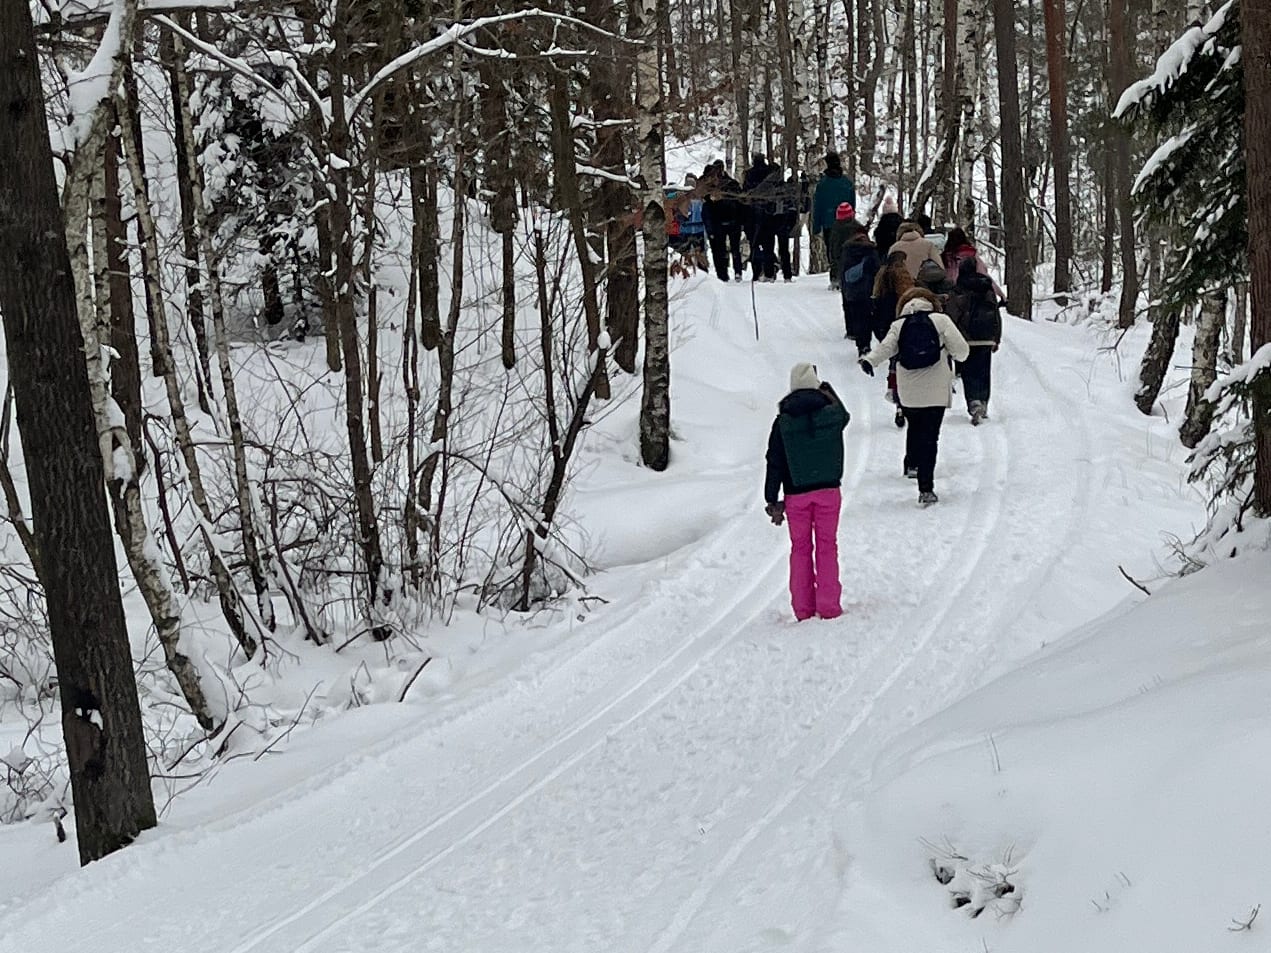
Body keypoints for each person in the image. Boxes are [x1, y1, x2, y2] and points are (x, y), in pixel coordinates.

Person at [859, 287, 969, 507]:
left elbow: (885, 348)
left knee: (915, 426)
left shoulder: (899, 325)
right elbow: (962, 352)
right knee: (930, 437)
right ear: (931, 303)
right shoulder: (942, 321)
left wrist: (869, 361)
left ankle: (911, 464)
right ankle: (925, 488)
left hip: (908, 391)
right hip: (936, 390)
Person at [764, 363, 850, 621]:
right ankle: (829, 606)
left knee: (800, 549)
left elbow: (774, 461)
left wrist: (771, 498)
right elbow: (845, 415)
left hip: (796, 495)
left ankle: (803, 609)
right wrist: (828, 391)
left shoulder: (783, 422)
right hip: (828, 492)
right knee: (827, 546)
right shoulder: (831, 414)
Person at [945, 257, 1003, 425]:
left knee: (969, 372)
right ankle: (983, 401)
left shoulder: (958, 290)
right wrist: (996, 337)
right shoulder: (987, 288)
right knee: (984, 371)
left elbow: (952, 315)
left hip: (966, 338)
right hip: (986, 337)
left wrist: (951, 338)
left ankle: (974, 402)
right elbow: (996, 315)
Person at [872, 250, 915, 428]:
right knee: (903, 362)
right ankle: (904, 401)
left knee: (893, 360)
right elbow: (909, 296)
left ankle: (896, 397)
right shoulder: (902, 274)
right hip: (900, 321)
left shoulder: (881, 275)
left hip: (883, 321)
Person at [811, 152, 857, 288]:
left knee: (832, 251)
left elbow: (818, 206)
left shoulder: (823, 184)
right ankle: (845, 277)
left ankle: (835, 277)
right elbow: (852, 203)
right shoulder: (847, 183)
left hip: (828, 222)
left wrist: (816, 226)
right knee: (846, 250)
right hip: (847, 223)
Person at [839, 231, 880, 355]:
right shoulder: (872, 252)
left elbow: (843, 274)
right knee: (872, 318)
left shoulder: (847, 253)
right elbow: (877, 269)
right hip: (870, 290)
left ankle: (862, 346)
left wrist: (846, 292)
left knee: (859, 319)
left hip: (854, 293)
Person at [704, 162, 744, 282]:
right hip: (726, 221)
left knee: (726, 249)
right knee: (730, 248)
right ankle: (730, 272)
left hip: (726, 222)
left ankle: (728, 273)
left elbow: (740, 203)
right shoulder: (731, 184)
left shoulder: (726, 185)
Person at [943, 226, 1006, 298]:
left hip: (950, 292)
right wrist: (1001, 295)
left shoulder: (946, 256)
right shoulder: (972, 254)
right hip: (970, 291)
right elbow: (984, 274)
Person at [824, 202, 865, 290]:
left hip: (841, 261)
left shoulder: (835, 229)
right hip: (856, 263)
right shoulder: (858, 227)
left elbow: (833, 249)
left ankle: (836, 280)